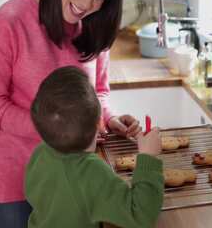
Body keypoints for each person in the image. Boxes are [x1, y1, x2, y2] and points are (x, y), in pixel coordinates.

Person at [0, 0, 142, 228]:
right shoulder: (8, 22)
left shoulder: (94, 26)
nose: (87, 4)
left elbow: (97, 92)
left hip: (75, 178)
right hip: (17, 176)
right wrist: (56, 127)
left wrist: (108, 119)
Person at [26, 66, 164, 228]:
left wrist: (83, 137)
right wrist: (148, 157)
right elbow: (140, 216)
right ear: (99, 123)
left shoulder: (40, 153)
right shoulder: (93, 171)